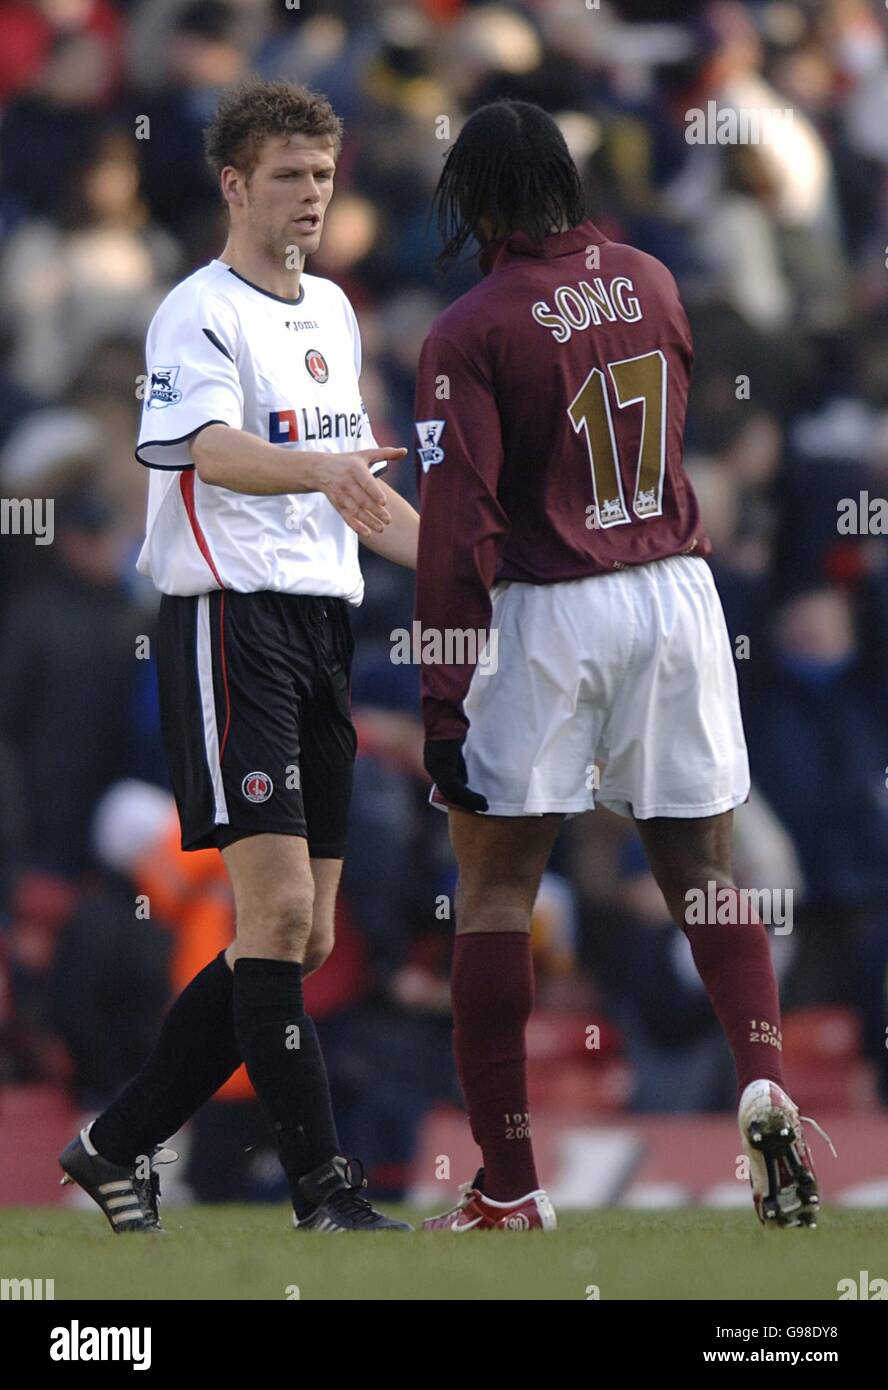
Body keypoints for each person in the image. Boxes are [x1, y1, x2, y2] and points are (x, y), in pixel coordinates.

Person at [414, 101, 824, 1232]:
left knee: (495, 886)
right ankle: (764, 1078)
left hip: (551, 610)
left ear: (479, 199)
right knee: (701, 868)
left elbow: (461, 533)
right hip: (675, 590)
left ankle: (506, 1185)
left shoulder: (470, 327)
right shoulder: (651, 277)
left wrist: (442, 694)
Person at [59, 77, 418, 1234]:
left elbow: (352, 486)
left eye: (323, 174)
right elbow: (205, 451)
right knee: (268, 920)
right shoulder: (195, 312)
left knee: (305, 935)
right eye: (288, 176)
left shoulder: (335, 314)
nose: (312, 195)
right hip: (231, 626)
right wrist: (315, 467)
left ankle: (112, 1144)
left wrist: (472, 568)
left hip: (324, 627)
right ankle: (323, 1187)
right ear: (233, 183)